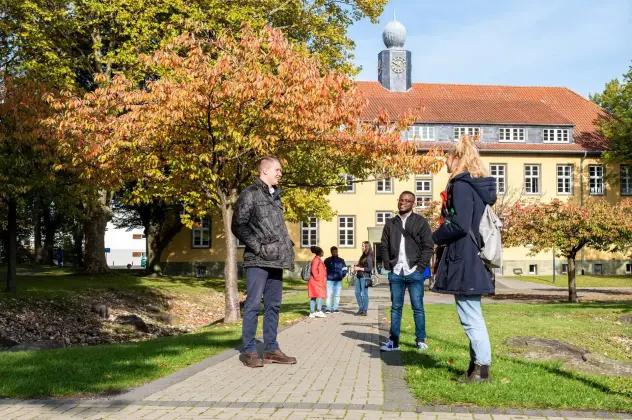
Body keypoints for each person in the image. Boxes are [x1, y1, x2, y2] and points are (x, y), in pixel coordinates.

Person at [432, 136, 497, 383]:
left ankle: (482, 370)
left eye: (447, 157)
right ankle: (475, 368)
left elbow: (459, 224)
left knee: (471, 316)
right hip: (472, 256)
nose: (445, 161)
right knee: (471, 313)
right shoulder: (474, 185)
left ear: (457, 158)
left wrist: (434, 237)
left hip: (464, 257)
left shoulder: (460, 185)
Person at [232, 156, 297, 368]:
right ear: (265, 171)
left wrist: (286, 246)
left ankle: (271, 349)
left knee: (274, 306)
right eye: (277, 170)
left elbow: (276, 229)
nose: (280, 173)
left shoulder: (275, 196)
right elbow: (238, 225)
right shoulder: (250, 193)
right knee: (252, 306)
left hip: (276, 260)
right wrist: (258, 247)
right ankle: (249, 351)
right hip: (257, 260)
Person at [379, 191, 434, 352]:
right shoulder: (390, 223)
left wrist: (420, 268)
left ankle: (421, 340)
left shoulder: (421, 222)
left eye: (406, 201)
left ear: (413, 204)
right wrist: (389, 266)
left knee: (418, 307)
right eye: (401, 200)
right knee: (396, 308)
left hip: (414, 272)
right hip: (396, 272)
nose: (402, 203)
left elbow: (428, 247)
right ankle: (394, 342)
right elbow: (384, 245)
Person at [324, 246, 347, 314]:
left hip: (338, 280)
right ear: (331, 252)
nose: (335, 253)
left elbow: (345, 269)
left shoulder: (341, 260)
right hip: (330, 280)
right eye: (333, 251)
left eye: (336, 251)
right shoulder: (327, 260)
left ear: (337, 252)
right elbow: (323, 269)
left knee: (337, 295)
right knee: (329, 295)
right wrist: (326, 276)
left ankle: (336, 308)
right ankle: (328, 308)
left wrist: (342, 275)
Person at [353, 241, 373, 316]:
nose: (362, 247)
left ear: (367, 247)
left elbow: (369, 269)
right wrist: (356, 266)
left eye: (363, 246)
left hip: (365, 277)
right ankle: (361, 308)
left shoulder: (369, 256)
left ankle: (365, 310)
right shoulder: (363, 256)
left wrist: (359, 268)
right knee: (357, 293)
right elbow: (361, 265)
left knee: (364, 294)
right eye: (362, 246)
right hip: (359, 276)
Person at [308, 246, 327, 318]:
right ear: (320, 252)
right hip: (317, 281)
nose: (323, 253)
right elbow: (314, 270)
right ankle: (318, 311)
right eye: (322, 251)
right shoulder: (317, 260)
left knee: (314, 296)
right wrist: (318, 278)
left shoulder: (318, 259)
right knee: (321, 295)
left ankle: (312, 312)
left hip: (315, 281)